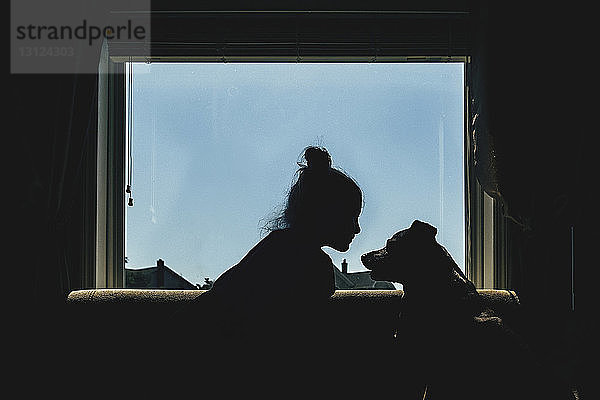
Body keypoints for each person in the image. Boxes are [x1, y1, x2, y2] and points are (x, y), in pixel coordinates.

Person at [195, 146, 363, 354]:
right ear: (327, 213)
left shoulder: (275, 246)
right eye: (352, 217)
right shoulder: (315, 266)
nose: (357, 228)